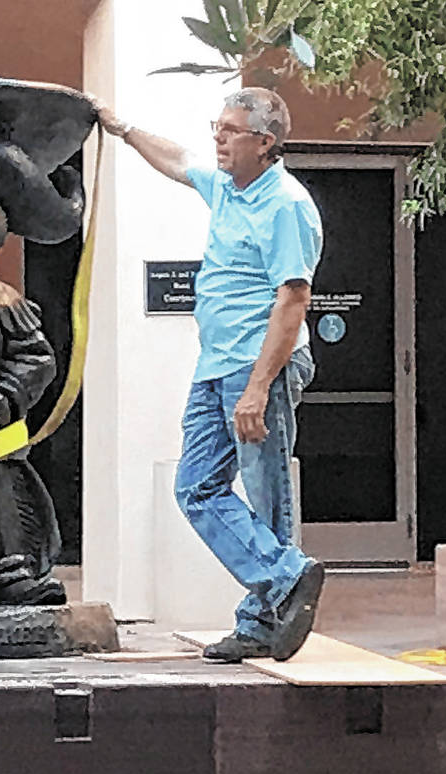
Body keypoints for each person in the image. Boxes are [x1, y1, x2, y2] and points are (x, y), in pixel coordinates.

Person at [96, 88, 325, 662]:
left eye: (229, 130)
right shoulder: (227, 187)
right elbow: (176, 160)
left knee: (267, 498)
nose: (217, 138)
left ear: (264, 143)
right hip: (215, 366)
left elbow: (293, 299)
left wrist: (257, 387)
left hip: (256, 368)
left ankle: (260, 619)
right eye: (216, 127)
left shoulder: (286, 204)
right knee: (196, 487)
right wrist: (122, 128)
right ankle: (282, 581)